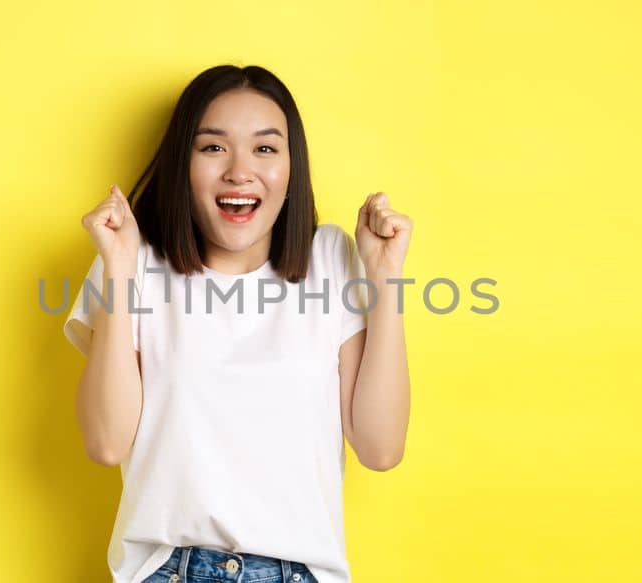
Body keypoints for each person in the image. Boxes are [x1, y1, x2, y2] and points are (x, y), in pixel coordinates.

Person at [64, 64, 413, 583]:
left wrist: (385, 280)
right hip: (169, 571)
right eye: (213, 148)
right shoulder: (133, 260)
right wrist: (118, 269)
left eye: (265, 149)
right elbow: (107, 442)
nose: (239, 171)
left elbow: (381, 448)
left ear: (292, 168)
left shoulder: (331, 257)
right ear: (183, 163)